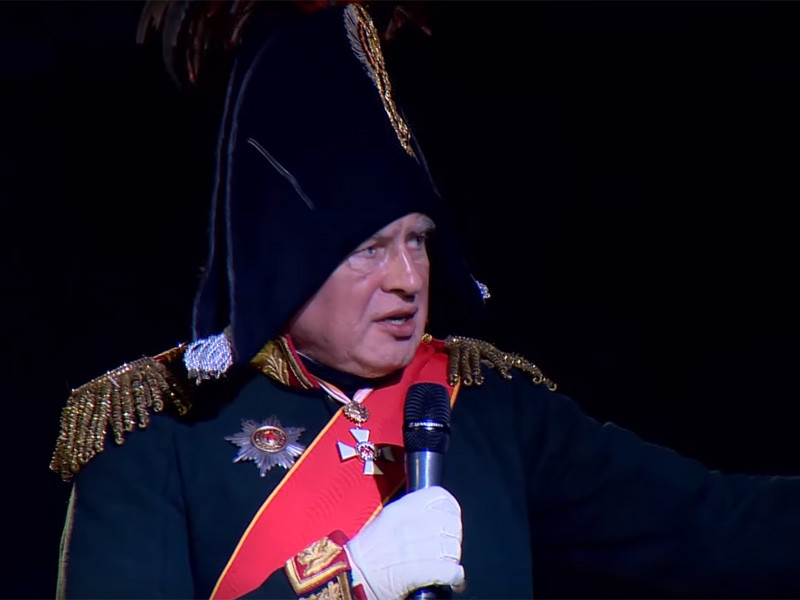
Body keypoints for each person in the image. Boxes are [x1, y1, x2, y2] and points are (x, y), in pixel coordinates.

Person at [50, 3, 800, 599]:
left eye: (419, 240)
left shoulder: (492, 407)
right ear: (282, 263)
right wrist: (347, 583)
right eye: (370, 249)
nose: (410, 278)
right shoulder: (155, 433)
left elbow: (719, 528)